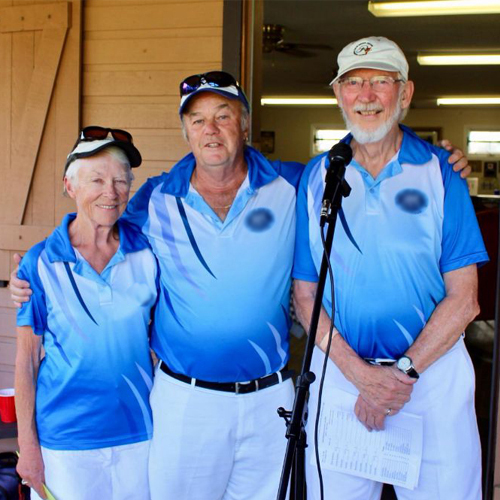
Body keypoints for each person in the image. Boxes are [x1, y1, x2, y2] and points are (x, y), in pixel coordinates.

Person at [10, 71, 472, 500]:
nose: (212, 130)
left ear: (245, 125)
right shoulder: (154, 198)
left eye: (224, 116)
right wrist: (32, 270)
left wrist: (441, 164)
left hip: (269, 399)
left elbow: (367, 160)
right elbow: (97, 225)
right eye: (198, 119)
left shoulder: (295, 183)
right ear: (185, 132)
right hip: (186, 399)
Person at [292, 36, 489, 500]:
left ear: (405, 93)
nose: (366, 95)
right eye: (354, 82)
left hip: (430, 379)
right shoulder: (317, 176)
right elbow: (305, 294)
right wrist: (362, 377)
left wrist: (400, 376)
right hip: (342, 379)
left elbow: (465, 298)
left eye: (381, 81)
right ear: (338, 94)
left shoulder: (443, 173)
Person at [14, 128, 159, 500]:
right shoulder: (40, 262)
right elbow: (27, 360)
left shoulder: (149, 253)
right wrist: (28, 447)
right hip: (65, 441)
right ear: (70, 186)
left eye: (120, 180)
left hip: (141, 434)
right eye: (96, 179)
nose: (110, 192)